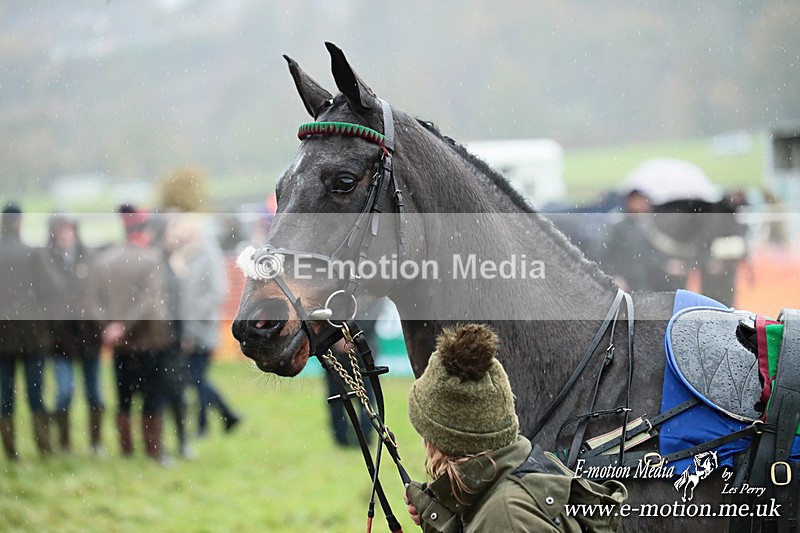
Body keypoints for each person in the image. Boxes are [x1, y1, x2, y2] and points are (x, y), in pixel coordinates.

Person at [404, 323, 627, 532]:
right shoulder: (512, 477)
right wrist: (438, 516)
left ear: (442, 440)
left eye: (425, 429)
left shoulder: (505, 518)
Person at [88, 205, 171, 463]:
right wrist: (124, 324)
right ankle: (153, 451)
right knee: (152, 397)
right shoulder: (152, 259)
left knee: (124, 398)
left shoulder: (104, 260)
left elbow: (92, 300)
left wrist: (109, 327)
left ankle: (126, 451)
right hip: (150, 342)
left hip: (121, 345)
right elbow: (149, 301)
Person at [167, 213, 239, 437]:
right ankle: (206, 425)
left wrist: (192, 329)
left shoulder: (207, 254)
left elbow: (217, 292)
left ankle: (226, 415)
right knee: (196, 378)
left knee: (195, 378)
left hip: (201, 329)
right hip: (192, 328)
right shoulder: (187, 255)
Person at [45, 214, 105, 455]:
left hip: (89, 337)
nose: (65, 235)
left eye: (69, 230)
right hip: (59, 340)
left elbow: (99, 294)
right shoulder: (46, 260)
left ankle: (96, 443)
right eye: (61, 231)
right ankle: (64, 443)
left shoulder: (89, 258)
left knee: (95, 394)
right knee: (65, 392)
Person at [0, 203, 55, 460]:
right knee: (36, 393)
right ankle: (44, 447)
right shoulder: (33, 254)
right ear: (20, 222)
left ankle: (11, 451)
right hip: (33, 336)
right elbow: (51, 288)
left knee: (4, 396)